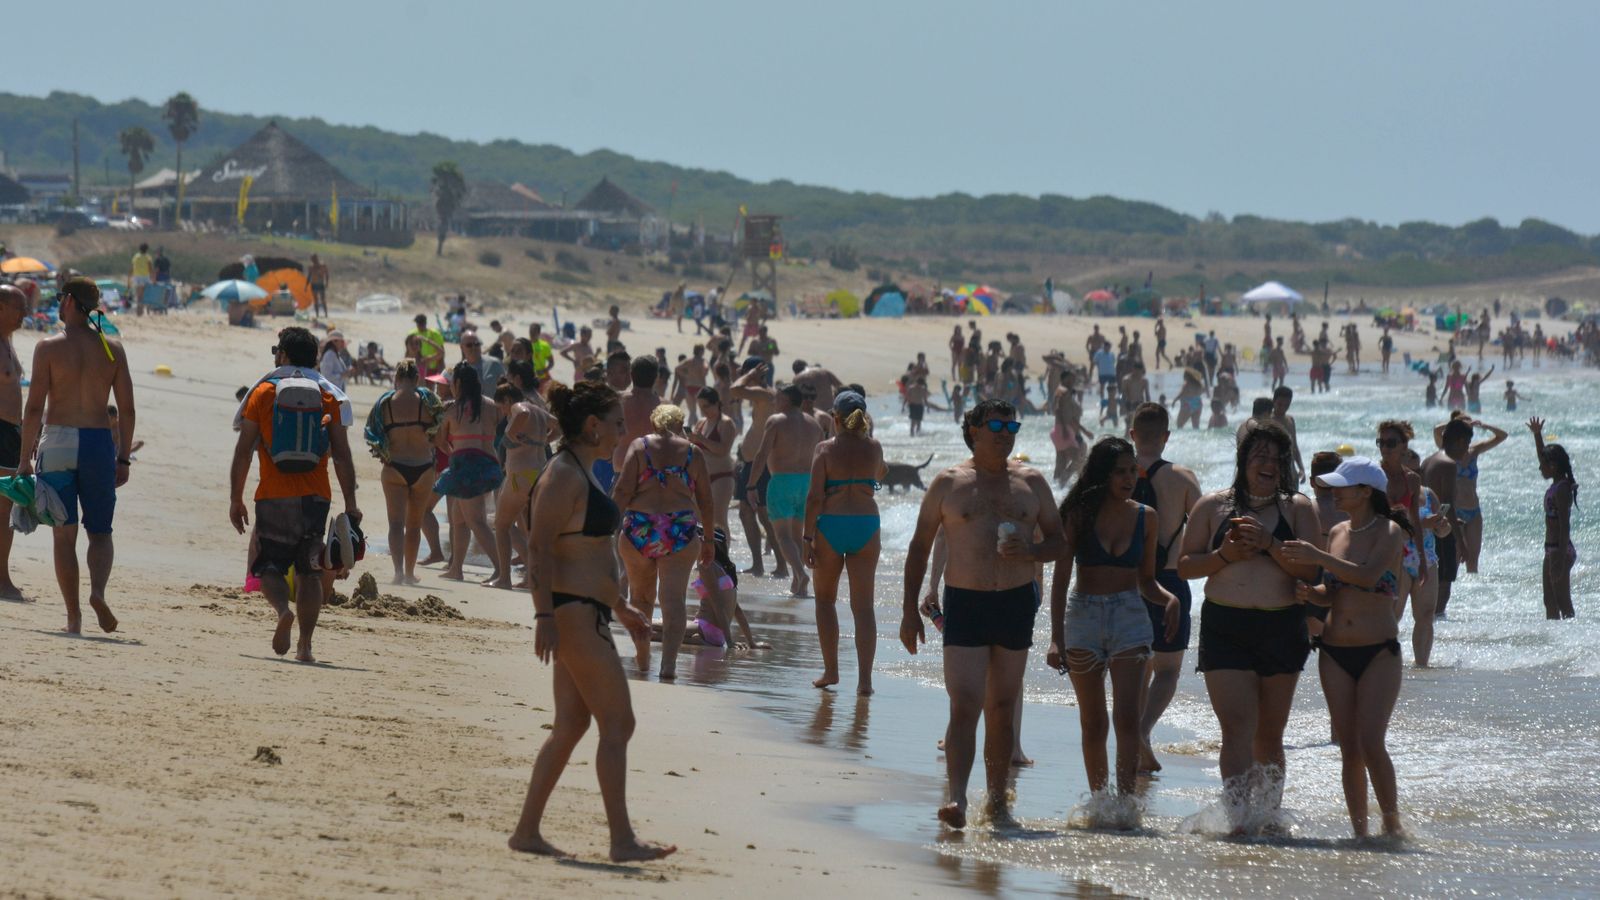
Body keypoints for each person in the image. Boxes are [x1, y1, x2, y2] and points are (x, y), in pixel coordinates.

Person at [509, 381, 673, 862]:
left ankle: (526, 831)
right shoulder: (562, 473)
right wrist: (542, 615)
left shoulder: (584, 469)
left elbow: (591, 550)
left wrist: (621, 607)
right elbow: (538, 544)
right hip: (573, 613)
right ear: (593, 425)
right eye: (618, 423)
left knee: (571, 725)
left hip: (588, 608)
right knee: (618, 723)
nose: (624, 431)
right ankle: (622, 840)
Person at [901, 399, 1067, 829]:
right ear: (973, 429)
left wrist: (1031, 551)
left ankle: (997, 802)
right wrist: (909, 610)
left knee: (1002, 705)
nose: (1005, 431)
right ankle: (957, 798)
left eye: (1011, 424)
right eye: (995, 424)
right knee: (966, 703)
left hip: (1015, 602)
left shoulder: (1031, 483)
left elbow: (1060, 541)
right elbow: (919, 546)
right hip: (966, 602)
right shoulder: (948, 483)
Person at [1175, 421, 1321, 834]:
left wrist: (1270, 545)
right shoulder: (1212, 506)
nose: (1269, 464)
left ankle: (1269, 816)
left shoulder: (1299, 508)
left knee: (1271, 733)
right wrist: (1224, 555)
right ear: (1243, 461)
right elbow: (1185, 567)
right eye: (1260, 456)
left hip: (1281, 625)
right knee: (1237, 728)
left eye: (1277, 458)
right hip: (1227, 623)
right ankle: (1239, 818)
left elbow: (1312, 567)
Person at [1280, 457, 1410, 839]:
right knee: (1349, 747)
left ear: (1366, 492)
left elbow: (1368, 576)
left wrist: (1317, 557)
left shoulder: (1390, 531)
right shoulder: (1336, 531)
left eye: (1342, 487)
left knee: (1371, 741)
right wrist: (1309, 593)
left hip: (1379, 651)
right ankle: (1360, 833)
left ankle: (1392, 824)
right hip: (1335, 649)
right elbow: (1332, 591)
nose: (1333, 492)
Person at [1048, 437, 1177, 815]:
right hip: (1083, 616)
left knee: (1127, 718)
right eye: (1119, 471)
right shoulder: (1079, 514)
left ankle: (1126, 804)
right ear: (1103, 474)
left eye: (1131, 471)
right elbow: (1060, 581)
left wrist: (1169, 599)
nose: (1128, 478)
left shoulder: (1146, 517)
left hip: (1130, 616)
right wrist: (1056, 639)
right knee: (1092, 720)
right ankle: (1100, 802)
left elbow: (1147, 581)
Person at [228, 326, 358, 661]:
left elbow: (244, 450)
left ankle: (282, 611)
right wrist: (352, 504)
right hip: (316, 495)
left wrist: (236, 498)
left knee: (270, 566)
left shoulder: (263, 393)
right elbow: (342, 454)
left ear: (282, 355)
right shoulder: (328, 395)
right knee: (311, 571)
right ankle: (306, 645)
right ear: (315, 357)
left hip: (273, 493)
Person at [17, 279, 135, 633]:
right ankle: (97, 592)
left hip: (58, 441)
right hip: (99, 443)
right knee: (100, 531)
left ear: (68, 301)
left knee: (63, 536)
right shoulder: (112, 349)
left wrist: (25, 459)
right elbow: (127, 410)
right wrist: (124, 457)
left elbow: (35, 406)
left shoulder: (48, 347)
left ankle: (73, 617)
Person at [612, 404, 714, 680]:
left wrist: (607, 525)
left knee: (641, 598)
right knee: (673, 601)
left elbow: (622, 490)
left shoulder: (640, 447)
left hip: (640, 527)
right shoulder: (693, 453)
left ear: (654, 423)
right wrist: (709, 540)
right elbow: (705, 498)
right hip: (678, 530)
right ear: (681, 424)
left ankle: (643, 658)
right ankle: (668, 665)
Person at [1127, 404, 1201, 774]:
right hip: (1169, 579)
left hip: (1126, 581)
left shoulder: (1116, 475)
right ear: (1166, 436)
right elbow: (1204, 533)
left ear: (1132, 434)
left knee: (1138, 664)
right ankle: (1142, 731)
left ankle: (1134, 739)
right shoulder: (1183, 478)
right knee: (1168, 670)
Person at [802, 391, 886, 695]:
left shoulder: (824, 450)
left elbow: (814, 497)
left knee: (825, 601)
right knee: (863, 607)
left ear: (835, 419)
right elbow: (880, 475)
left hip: (831, 525)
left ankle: (831, 671)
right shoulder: (874, 447)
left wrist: (807, 536)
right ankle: (865, 681)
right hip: (866, 524)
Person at [363, 360, 443, 585]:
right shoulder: (427, 404)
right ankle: (409, 572)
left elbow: (375, 435)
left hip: (394, 467)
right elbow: (437, 437)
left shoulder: (385, 404)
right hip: (423, 468)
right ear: (417, 379)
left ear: (396, 379)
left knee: (396, 524)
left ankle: (398, 571)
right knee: (414, 525)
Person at [748, 384, 823, 597]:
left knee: (782, 536)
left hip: (781, 480)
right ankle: (799, 583)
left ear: (787, 400)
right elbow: (820, 457)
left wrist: (751, 485)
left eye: (778, 398)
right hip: (806, 482)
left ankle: (800, 574)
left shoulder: (777, 421)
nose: (774, 402)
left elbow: (762, 454)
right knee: (796, 536)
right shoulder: (814, 425)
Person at [435, 363, 504, 583]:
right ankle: (456, 568)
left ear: (457, 384)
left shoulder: (452, 409)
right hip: (491, 465)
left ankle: (501, 570)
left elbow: (439, 441)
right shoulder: (492, 406)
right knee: (459, 519)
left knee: (476, 521)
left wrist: (454, 451)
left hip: (467, 468)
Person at [490, 373, 553, 590]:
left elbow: (522, 413)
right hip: (539, 473)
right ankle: (531, 579)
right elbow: (559, 425)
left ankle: (504, 578)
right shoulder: (540, 411)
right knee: (529, 530)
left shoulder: (519, 407)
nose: (502, 412)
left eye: (501, 407)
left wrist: (509, 438)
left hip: (520, 476)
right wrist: (542, 440)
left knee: (501, 524)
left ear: (507, 400)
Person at [1430, 413, 1506, 576]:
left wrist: (1484, 425)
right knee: (1455, 558)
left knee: (1473, 560)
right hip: (1454, 513)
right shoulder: (1446, 450)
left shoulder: (1474, 450)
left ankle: (1473, 597)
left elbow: (1502, 436)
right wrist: (1455, 423)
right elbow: (1436, 430)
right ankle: (1452, 596)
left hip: (1474, 511)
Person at [1529, 418, 1576, 619]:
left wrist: (1559, 558)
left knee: (1563, 602)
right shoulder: (1556, 483)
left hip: (1560, 549)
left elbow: (1565, 526)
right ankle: (1556, 645)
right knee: (1549, 601)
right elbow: (1543, 458)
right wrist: (1537, 435)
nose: (1540, 468)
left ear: (1554, 466)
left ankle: (1574, 644)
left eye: (1544, 465)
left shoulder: (1562, 488)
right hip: (1551, 548)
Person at [0, 285, 27, 600]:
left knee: (5, 509)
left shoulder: (8, 340)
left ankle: (3, 577)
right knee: (3, 509)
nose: (25, 314)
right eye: (19, 308)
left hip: (11, 432)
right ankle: (2, 580)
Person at [687, 387, 737, 535]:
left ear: (717, 403)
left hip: (722, 476)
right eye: (700, 407)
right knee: (700, 520)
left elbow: (723, 450)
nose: (703, 411)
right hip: (702, 477)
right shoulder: (701, 422)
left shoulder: (726, 423)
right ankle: (706, 555)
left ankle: (722, 557)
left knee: (719, 521)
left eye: (706, 406)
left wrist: (702, 440)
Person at [129, 243, 153, 313]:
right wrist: (153, 277)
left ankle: (139, 311)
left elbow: (133, 267)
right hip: (145, 277)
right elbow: (150, 268)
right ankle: (147, 310)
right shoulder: (148, 257)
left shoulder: (136, 257)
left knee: (139, 295)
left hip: (137, 277)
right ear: (147, 249)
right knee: (146, 294)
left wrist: (130, 276)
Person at [308, 253, 329, 318]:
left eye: (314, 259)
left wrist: (327, 283)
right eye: (312, 259)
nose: (313, 260)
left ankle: (326, 314)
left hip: (320, 284)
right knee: (315, 300)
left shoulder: (322, 266)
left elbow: (327, 274)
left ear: (317, 258)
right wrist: (306, 286)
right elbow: (309, 276)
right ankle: (317, 314)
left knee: (323, 300)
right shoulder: (311, 267)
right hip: (314, 284)